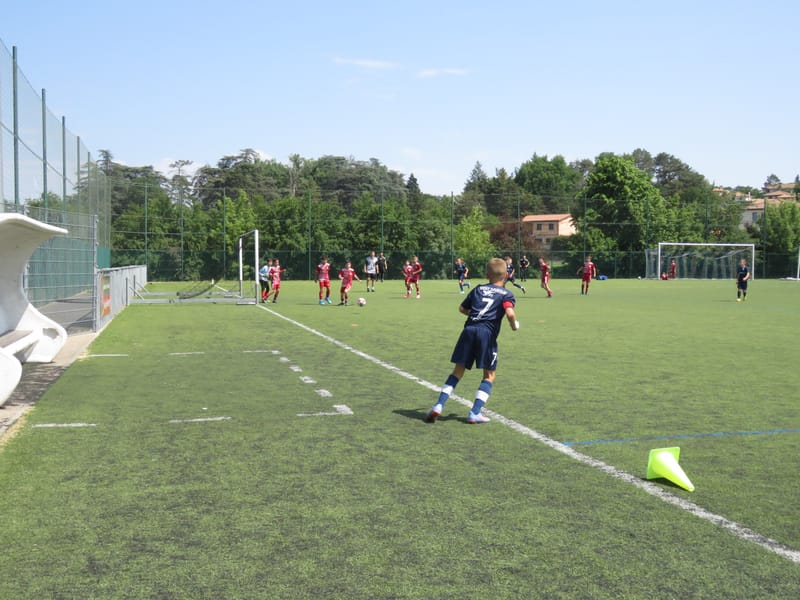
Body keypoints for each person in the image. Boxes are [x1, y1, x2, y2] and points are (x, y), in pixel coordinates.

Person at [425, 258, 519, 425]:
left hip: (469, 331)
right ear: (506, 275)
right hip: (486, 335)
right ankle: (474, 413)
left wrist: (476, 316)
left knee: (457, 372)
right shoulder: (506, 294)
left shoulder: (478, 289)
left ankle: (439, 405)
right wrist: (513, 325)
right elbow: (510, 313)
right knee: (489, 375)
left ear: (486, 274)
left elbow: (462, 308)